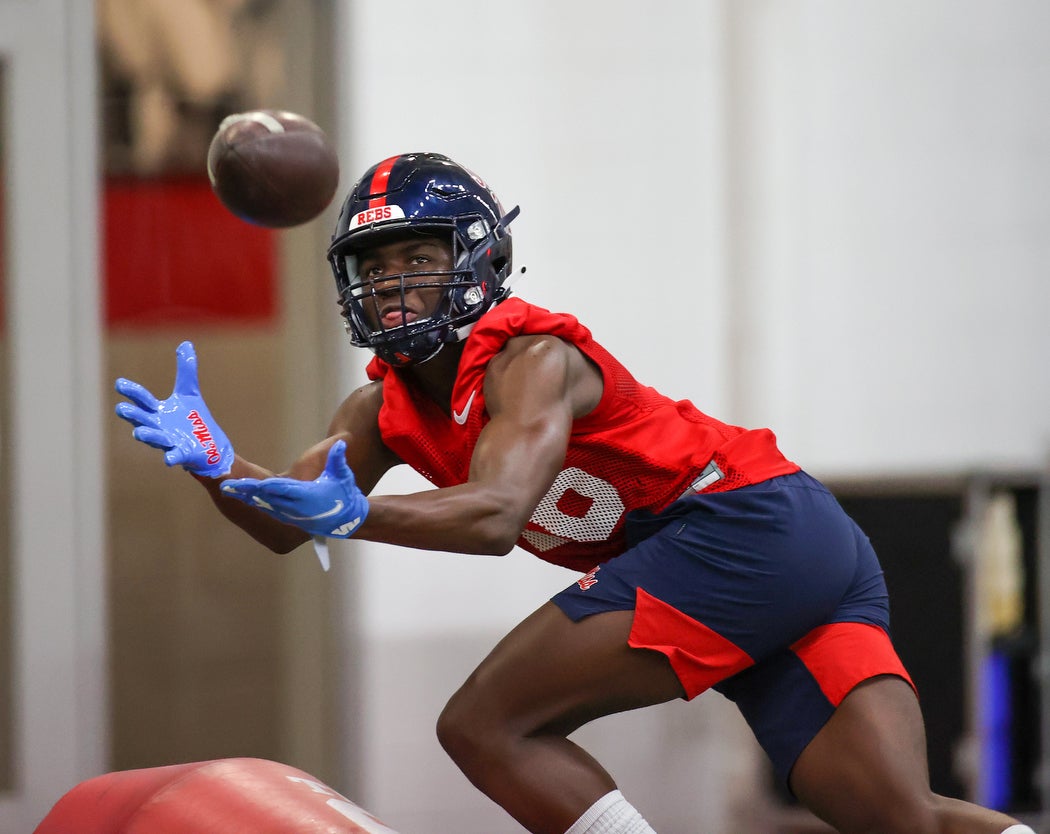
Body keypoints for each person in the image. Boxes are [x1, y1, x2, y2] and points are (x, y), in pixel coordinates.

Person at [115, 152, 1035, 834]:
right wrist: (219, 471)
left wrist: (354, 513)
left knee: (484, 724)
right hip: (790, 543)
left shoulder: (531, 358)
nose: (394, 284)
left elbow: (494, 514)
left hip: (739, 529)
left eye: (417, 256)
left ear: (478, 258)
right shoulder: (378, 407)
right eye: (376, 265)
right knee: (896, 816)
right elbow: (286, 523)